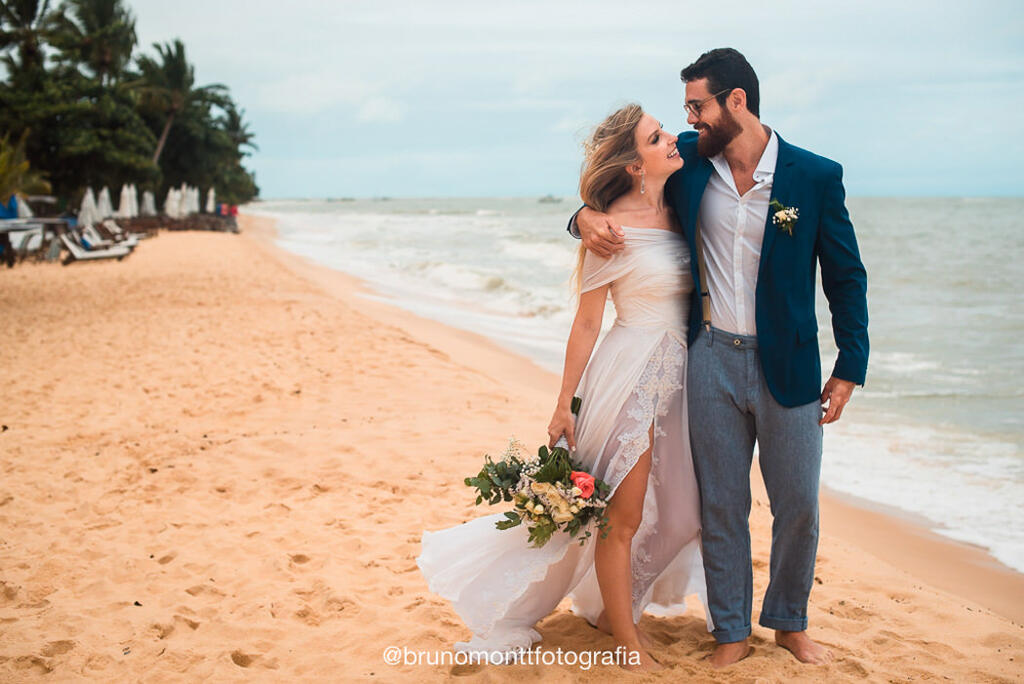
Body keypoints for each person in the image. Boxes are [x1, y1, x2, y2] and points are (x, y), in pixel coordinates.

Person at [571, 48, 869, 668]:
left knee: (799, 506)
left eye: (698, 106)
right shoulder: (689, 166)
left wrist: (849, 367)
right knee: (721, 505)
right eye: (685, 109)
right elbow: (620, 186)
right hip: (708, 360)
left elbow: (846, 277)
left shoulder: (814, 177)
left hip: (788, 366)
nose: (689, 120)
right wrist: (581, 217)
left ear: (737, 102)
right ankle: (731, 631)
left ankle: (789, 623)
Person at [418, 104, 711, 673]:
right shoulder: (608, 229)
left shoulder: (683, 202)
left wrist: (580, 212)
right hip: (629, 374)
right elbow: (586, 323)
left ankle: (615, 604)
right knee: (621, 517)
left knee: (681, 513)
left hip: (684, 377)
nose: (672, 138)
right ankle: (623, 634)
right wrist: (564, 403)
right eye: (657, 136)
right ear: (632, 165)